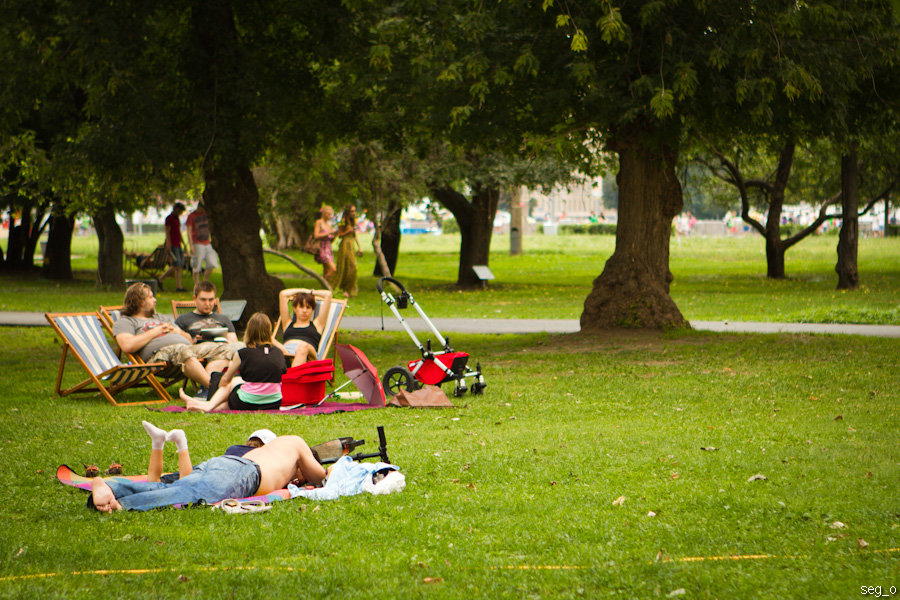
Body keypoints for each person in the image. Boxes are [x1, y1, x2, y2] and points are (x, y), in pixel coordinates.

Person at [88, 431, 326, 512]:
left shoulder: (277, 446)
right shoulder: (296, 444)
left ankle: (113, 487)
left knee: (177, 487)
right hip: (244, 474)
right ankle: (125, 504)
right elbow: (319, 476)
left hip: (225, 463)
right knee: (188, 495)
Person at [112, 282, 233, 391]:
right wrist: (157, 331)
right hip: (159, 356)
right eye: (150, 297)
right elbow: (127, 346)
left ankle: (206, 389)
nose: (155, 300)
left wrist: (177, 331)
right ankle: (215, 389)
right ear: (139, 301)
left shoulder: (160, 318)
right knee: (181, 350)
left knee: (222, 348)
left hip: (185, 350)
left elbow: (189, 340)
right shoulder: (126, 321)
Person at [180, 312, 288, 412]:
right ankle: (210, 407)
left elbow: (226, 380)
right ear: (269, 331)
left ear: (249, 331)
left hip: (248, 402)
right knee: (233, 395)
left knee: (231, 383)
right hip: (274, 403)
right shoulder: (278, 353)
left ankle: (207, 405)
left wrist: (222, 385)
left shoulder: (243, 353)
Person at [140, 421, 276, 482]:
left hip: (210, 465)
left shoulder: (234, 448)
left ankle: (157, 442)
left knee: (156, 482)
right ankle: (180, 443)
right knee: (185, 484)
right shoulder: (263, 457)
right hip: (223, 475)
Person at [278, 287, 332, 366]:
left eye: (308, 307)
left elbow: (328, 294)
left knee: (302, 347)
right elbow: (283, 295)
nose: (304, 310)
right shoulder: (287, 323)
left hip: (308, 352)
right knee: (270, 340)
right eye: (301, 307)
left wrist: (311, 292)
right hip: (286, 351)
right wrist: (303, 291)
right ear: (294, 308)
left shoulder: (317, 324)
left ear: (312, 310)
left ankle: (292, 377)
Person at [174, 281, 239, 345]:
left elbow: (234, 344)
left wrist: (225, 342)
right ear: (194, 298)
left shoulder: (224, 319)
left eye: (211, 300)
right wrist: (192, 342)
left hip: (222, 350)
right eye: (203, 300)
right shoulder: (182, 320)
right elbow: (177, 346)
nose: (207, 304)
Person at [330, 204, 362, 298]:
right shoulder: (342, 221)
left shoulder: (354, 221)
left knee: (353, 267)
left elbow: (354, 235)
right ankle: (342, 288)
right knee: (344, 267)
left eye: (354, 211)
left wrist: (360, 247)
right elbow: (339, 235)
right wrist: (348, 231)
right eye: (352, 211)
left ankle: (350, 289)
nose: (354, 213)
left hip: (351, 245)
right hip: (345, 245)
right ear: (348, 212)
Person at [186, 201, 219, 286]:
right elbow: (189, 231)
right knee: (197, 266)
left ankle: (204, 282)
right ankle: (196, 285)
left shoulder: (207, 215)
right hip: (197, 243)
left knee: (212, 263)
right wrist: (191, 245)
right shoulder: (191, 216)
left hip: (208, 243)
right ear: (199, 207)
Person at [158, 202, 187, 292]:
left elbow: (178, 232)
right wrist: (169, 244)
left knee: (180, 266)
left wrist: (184, 243)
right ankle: (160, 278)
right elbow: (167, 232)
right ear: (176, 209)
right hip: (172, 245)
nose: (181, 213)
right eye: (180, 211)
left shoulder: (177, 219)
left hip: (178, 244)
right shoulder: (169, 219)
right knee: (176, 264)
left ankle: (179, 286)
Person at [313, 205, 337, 280]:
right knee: (333, 269)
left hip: (329, 249)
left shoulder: (329, 225)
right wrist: (328, 233)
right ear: (323, 213)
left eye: (330, 214)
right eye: (328, 214)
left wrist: (334, 235)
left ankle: (325, 287)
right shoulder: (319, 222)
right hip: (322, 249)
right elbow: (316, 235)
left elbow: (331, 240)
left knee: (327, 270)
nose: (329, 216)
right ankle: (323, 282)